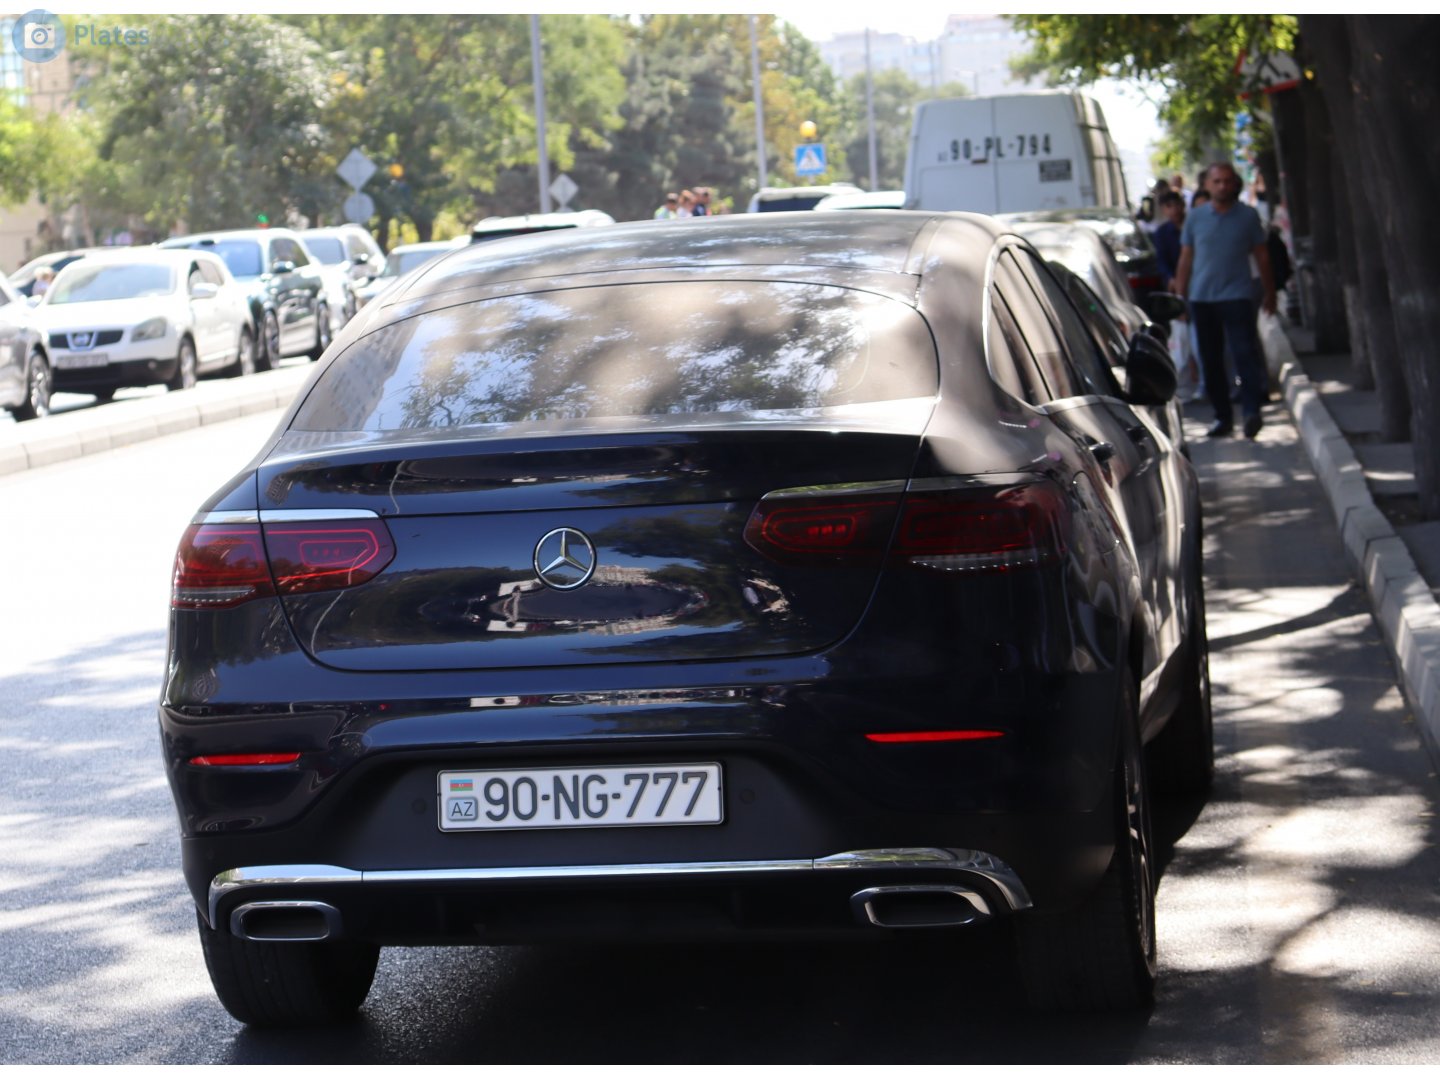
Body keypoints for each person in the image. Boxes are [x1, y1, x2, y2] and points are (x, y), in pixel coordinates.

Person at [1173, 162, 1277, 440]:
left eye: (1228, 181)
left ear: (1236, 184)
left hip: (1238, 296)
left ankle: (1252, 411)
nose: (1222, 186)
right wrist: (1180, 298)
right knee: (1211, 360)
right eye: (1217, 181)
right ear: (1207, 184)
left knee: (1244, 354)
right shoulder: (1195, 218)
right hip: (1202, 298)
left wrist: (1270, 292)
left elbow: (1262, 256)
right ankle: (1223, 417)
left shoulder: (1248, 216)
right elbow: (1186, 258)